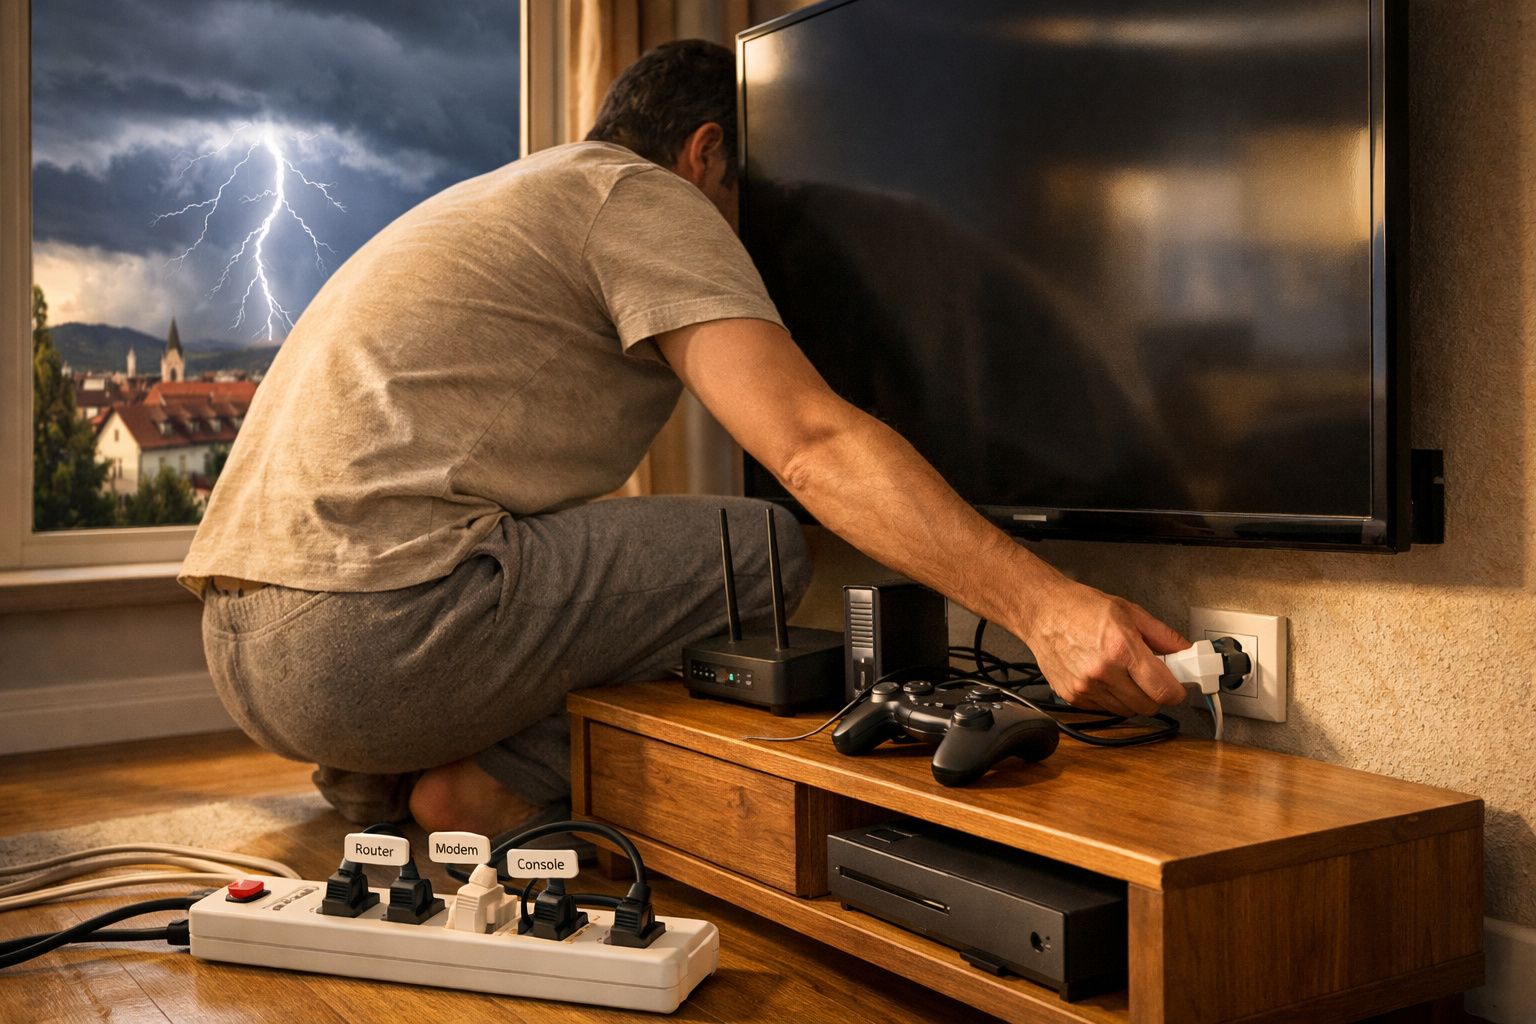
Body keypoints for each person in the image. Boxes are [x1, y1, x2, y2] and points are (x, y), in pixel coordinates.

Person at [180, 39, 1188, 838]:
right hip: (362, 640)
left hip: (242, 652)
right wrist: (1045, 609)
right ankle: (485, 787)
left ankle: (386, 778)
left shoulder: (517, 194)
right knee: (760, 546)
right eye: (746, 209)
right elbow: (811, 445)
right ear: (704, 154)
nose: (743, 242)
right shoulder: (642, 194)